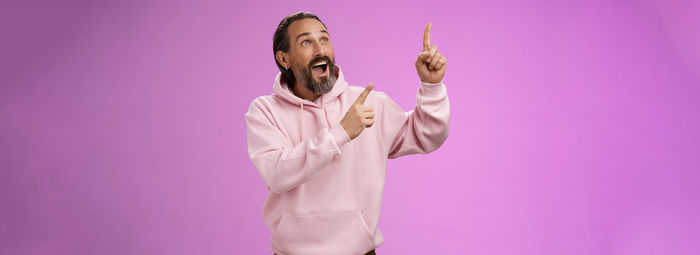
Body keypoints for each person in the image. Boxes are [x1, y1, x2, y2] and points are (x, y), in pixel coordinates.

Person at [245, 11, 450, 255]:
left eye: (324, 39)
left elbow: (427, 136)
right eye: (306, 42)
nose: (320, 50)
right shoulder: (265, 111)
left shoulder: (368, 103)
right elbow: (277, 173)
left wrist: (432, 86)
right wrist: (340, 133)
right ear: (284, 59)